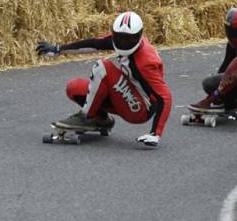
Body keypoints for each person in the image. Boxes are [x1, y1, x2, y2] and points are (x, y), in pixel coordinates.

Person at [36, 11, 172, 148]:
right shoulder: (117, 40)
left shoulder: (146, 63)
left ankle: (86, 117)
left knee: (103, 67)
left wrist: (155, 133)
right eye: (119, 38)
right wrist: (58, 49)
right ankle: (100, 118)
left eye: (128, 39)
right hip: (126, 95)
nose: (123, 43)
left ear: (138, 36)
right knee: (74, 88)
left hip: (140, 109)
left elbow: (165, 97)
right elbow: (94, 43)